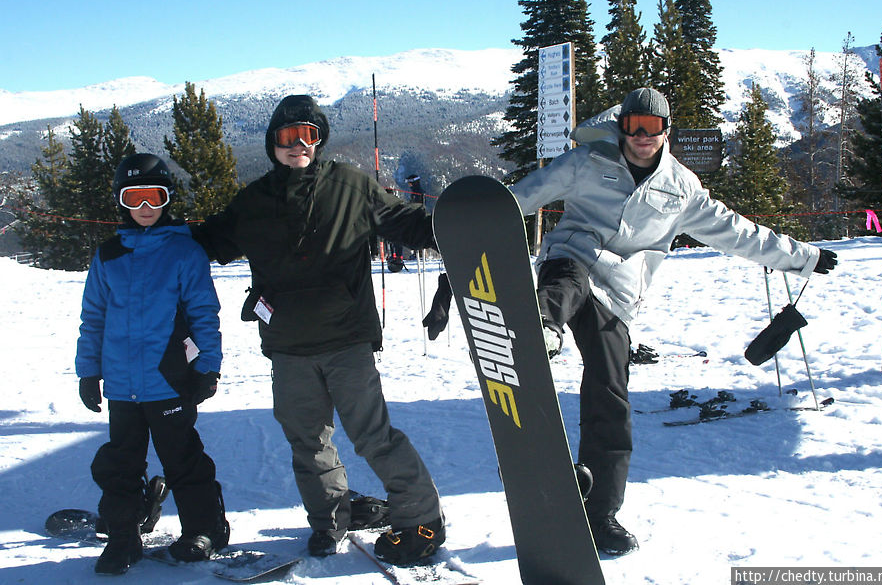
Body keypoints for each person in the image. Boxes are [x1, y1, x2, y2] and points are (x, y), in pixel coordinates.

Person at [508, 87, 837, 556]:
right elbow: (525, 195)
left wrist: (801, 257)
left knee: (611, 394)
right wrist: (474, 217)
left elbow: (738, 233)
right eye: (634, 126)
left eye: (653, 128)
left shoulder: (681, 188)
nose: (643, 137)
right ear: (621, 126)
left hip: (619, 292)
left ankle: (599, 512)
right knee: (564, 281)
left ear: (667, 130)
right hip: (573, 259)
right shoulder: (585, 162)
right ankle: (540, 331)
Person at [190, 95, 445, 565]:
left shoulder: (352, 186)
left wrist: (457, 225)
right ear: (272, 143)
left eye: (308, 134)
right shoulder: (253, 202)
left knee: (372, 435)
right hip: (288, 347)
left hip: (346, 338)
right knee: (307, 441)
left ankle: (420, 515)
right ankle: (329, 522)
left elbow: (406, 224)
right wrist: (152, 238)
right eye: (287, 137)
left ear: (319, 139)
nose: (298, 145)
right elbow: (204, 242)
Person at [75, 153, 229, 575]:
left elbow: (203, 313)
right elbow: (94, 318)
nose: (145, 208)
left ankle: (204, 528)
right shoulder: (107, 255)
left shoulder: (184, 251)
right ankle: (125, 538)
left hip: (169, 380)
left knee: (182, 458)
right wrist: (89, 371)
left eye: (154, 197)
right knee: (121, 463)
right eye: (135, 197)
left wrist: (207, 367)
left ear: (166, 199)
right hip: (123, 386)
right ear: (122, 201)